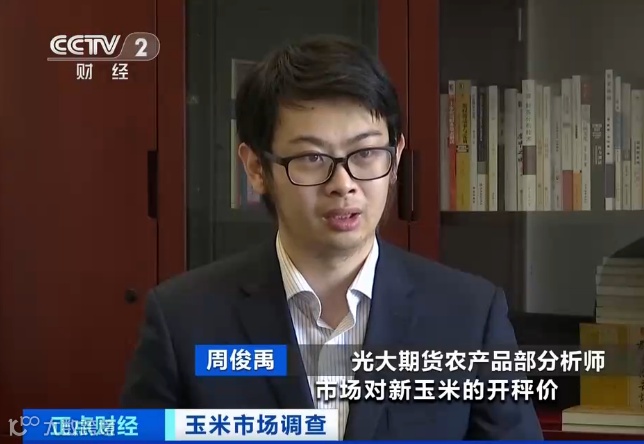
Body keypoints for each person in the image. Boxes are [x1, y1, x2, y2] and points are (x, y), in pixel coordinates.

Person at [120, 35, 543, 440]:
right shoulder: (184, 320)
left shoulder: (469, 316)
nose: (343, 184)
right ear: (256, 169)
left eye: (366, 153)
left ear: (395, 158)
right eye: (312, 157)